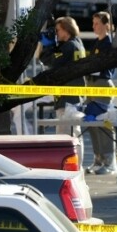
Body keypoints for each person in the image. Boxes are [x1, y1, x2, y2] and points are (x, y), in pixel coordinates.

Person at [39, 16, 86, 160]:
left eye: (58, 30)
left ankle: (73, 165)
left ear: (67, 30)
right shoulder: (77, 43)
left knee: (66, 136)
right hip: (74, 95)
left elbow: (50, 61)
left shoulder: (69, 47)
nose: (56, 34)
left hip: (68, 98)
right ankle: (77, 164)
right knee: (74, 134)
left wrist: (47, 46)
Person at [85, 11, 117, 175]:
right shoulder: (95, 43)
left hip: (102, 83)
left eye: (97, 23)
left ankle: (109, 160)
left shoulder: (108, 43)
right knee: (92, 123)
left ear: (106, 25)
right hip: (91, 84)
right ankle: (98, 158)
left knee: (103, 122)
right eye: (93, 23)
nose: (94, 26)